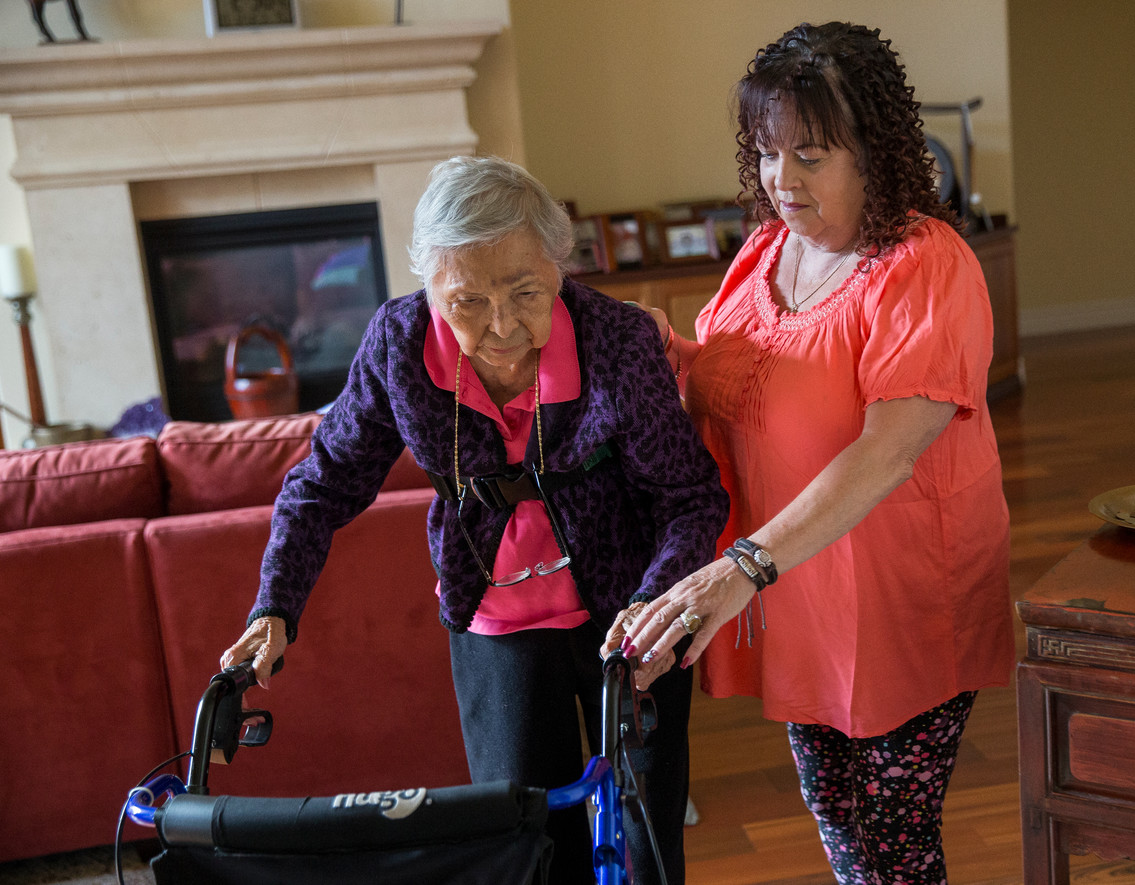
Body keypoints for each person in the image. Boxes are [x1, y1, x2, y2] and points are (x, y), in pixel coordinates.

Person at [222, 155, 729, 885]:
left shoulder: (617, 341)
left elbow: (689, 496)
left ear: (560, 265)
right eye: (465, 301)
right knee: (528, 843)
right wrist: (275, 604)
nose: (501, 328)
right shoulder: (399, 344)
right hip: (497, 623)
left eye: (525, 292)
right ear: (427, 286)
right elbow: (323, 482)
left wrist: (655, 602)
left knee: (647, 842)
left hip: (632, 614)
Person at [607, 22, 1015, 885]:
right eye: (766, 153)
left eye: (811, 155)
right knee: (839, 822)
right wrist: (661, 347)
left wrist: (738, 571)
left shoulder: (924, 266)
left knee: (893, 846)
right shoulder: (767, 251)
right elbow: (729, 383)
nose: (780, 181)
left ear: (875, 152)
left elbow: (887, 451)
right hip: (803, 589)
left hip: (899, 597)